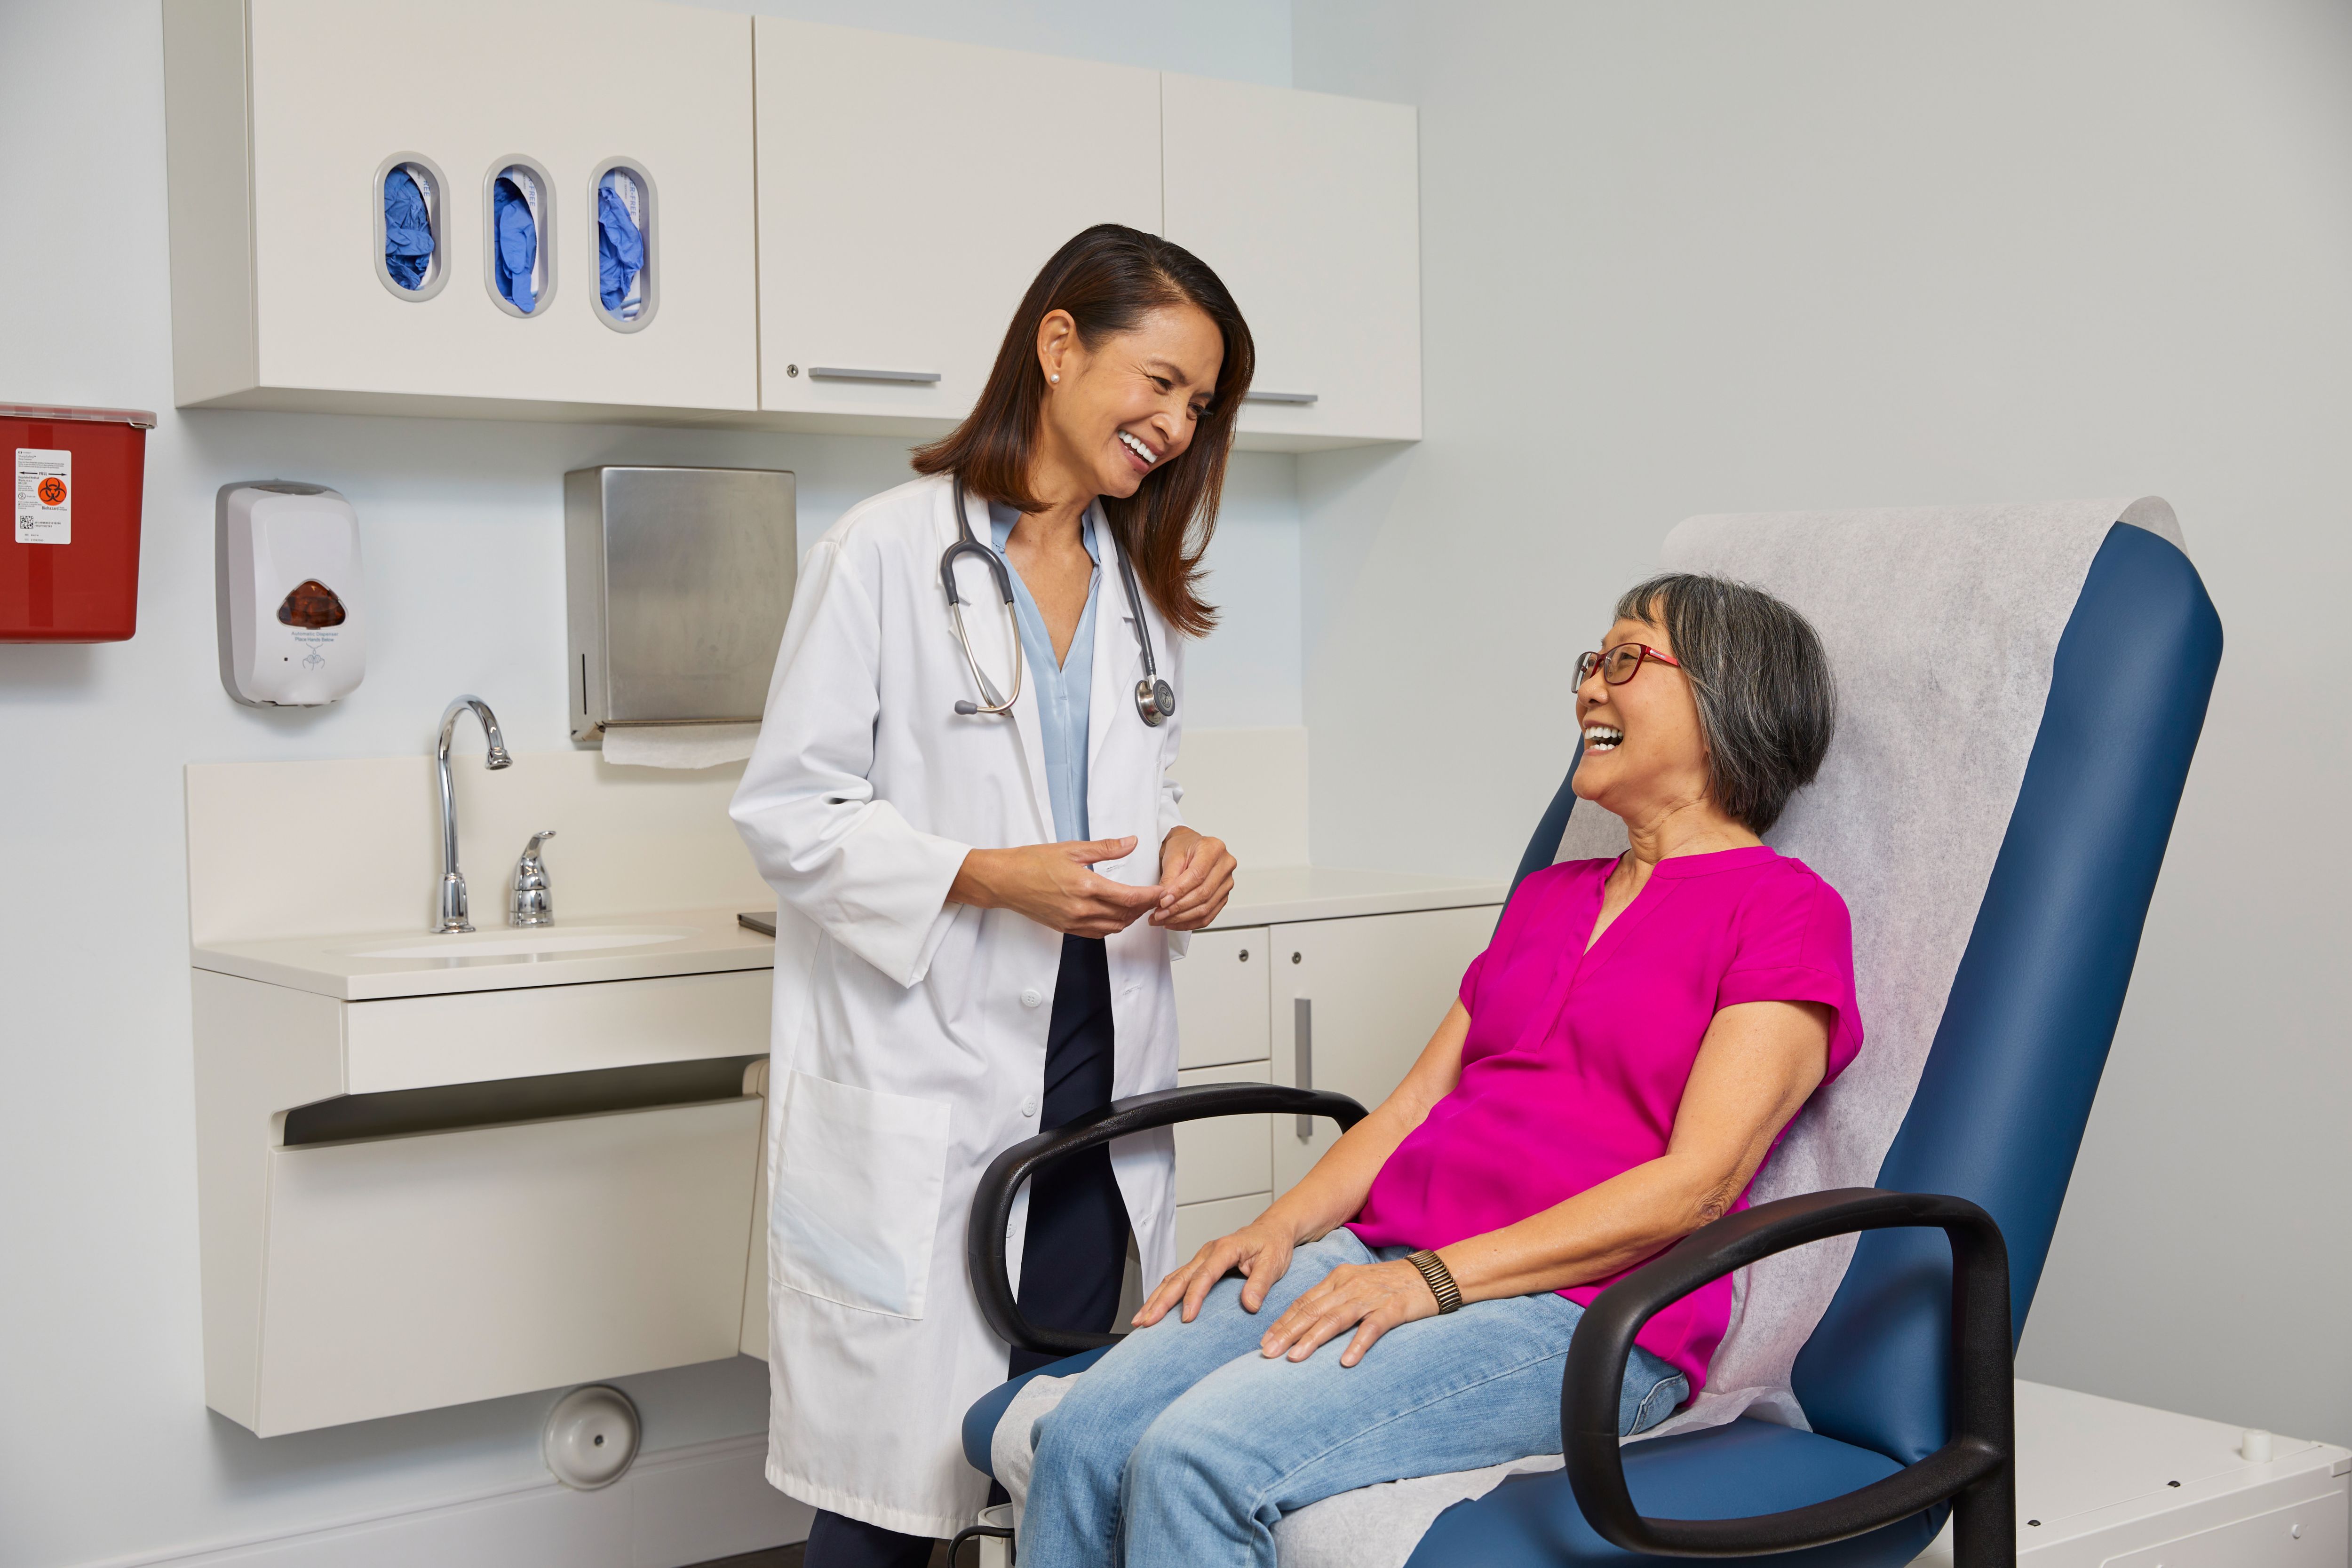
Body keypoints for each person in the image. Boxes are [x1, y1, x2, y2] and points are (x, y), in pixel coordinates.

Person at [1018, 573, 1860, 1568]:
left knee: (1197, 1458)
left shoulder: (1785, 911)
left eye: (1627, 658)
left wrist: (1435, 1280)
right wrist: (1276, 1229)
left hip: (1583, 1314)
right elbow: (1411, 1107)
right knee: (1081, 1433)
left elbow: (1699, 1184)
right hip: (1387, 1254)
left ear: (1731, 700)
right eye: (1590, 661)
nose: (1590, 685)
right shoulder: (1549, 896)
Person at [730, 224, 1254, 1566]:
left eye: (1200, 404)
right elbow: (788, 811)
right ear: (1059, 344)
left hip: (1095, 1066)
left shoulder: (1138, 589)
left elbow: (1132, 793)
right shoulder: (882, 552)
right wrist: (980, 874)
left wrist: (1188, 850)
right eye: (1161, 382)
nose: (1178, 426)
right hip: (933, 1060)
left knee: (1048, 1434)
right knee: (883, 1490)